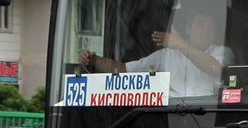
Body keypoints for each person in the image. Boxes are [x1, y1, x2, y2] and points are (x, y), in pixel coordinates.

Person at [79, 9, 233, 98]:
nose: (206, 30)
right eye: (201, 25)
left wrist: (181, 45)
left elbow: (216, 70)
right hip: (170, 122)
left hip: (210, 120)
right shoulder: (167, 56)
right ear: (188, 29)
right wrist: (94, 60)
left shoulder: (222, 52)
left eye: (211, 27)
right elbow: (125, 70)